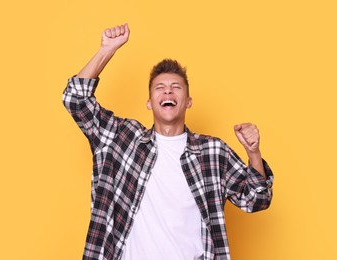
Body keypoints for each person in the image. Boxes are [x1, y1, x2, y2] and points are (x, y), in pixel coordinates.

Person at [62, 24, 274, 260]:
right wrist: (106, 50)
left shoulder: (213, 152)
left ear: (188, 101)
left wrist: (253, 152)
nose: (168, 93)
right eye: (160, 88)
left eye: (176, 88)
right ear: (150, 102)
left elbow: (257, 199)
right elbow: (75, 99)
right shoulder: (122, 139)